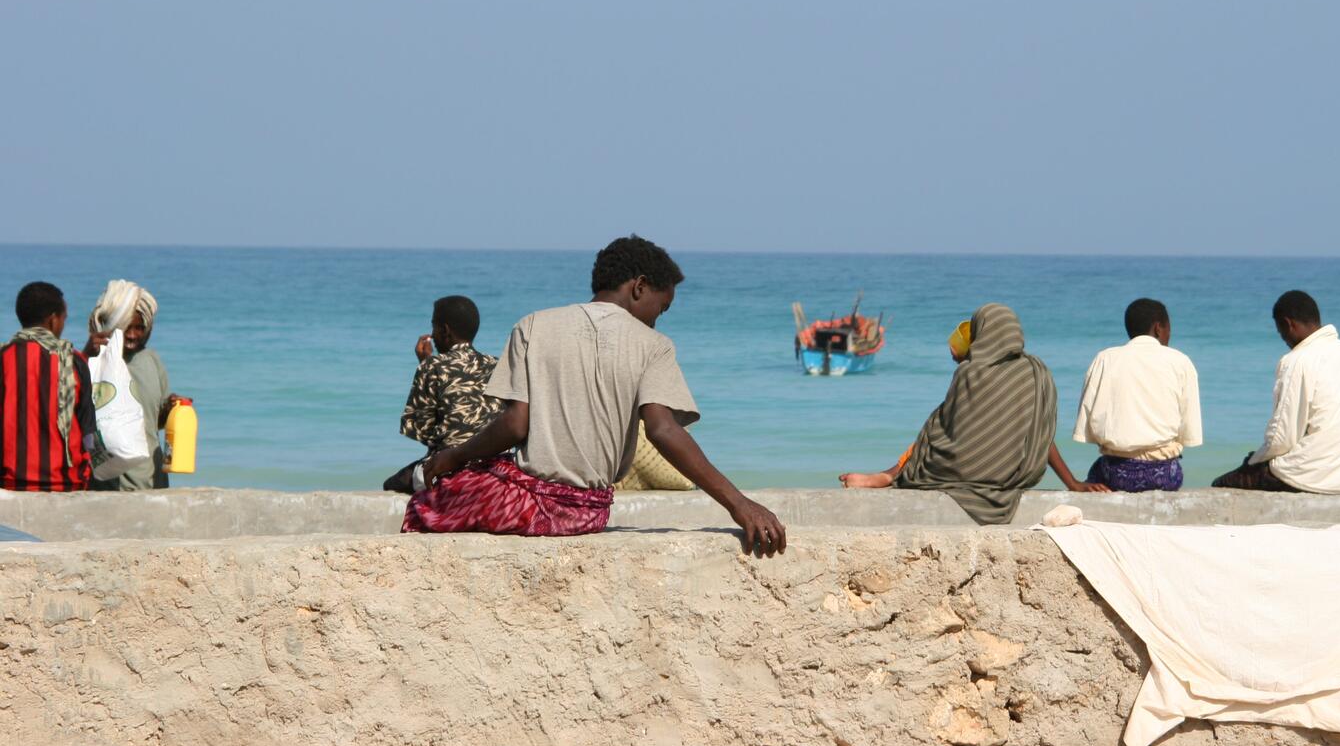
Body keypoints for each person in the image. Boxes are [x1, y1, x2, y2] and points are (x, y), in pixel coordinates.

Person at [405, 235, 786, 556]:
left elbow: (515, 424)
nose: (658, 319)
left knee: (423, 506)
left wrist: (451, 457)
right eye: (662, 307)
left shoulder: (533, 325)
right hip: (588, 512)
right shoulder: (654, 346)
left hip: (528, 506)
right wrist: (739, 504)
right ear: (639, 287)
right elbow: (664, 430)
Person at [840, 313, 1109, 497]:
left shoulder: (977, 377)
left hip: (973, 471)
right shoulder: (1025, 374)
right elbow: (1040, 436)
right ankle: (890, 475)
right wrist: (1072, 483)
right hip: (1007, 475)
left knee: (939, 423)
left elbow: (944, 430)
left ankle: (889, 476)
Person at [1212, 290, 1340, 494]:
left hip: (1316, 476)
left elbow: (1282, 438)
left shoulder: (1297, 360)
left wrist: (1252, 462)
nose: (1284, 340)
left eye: (1281, 333)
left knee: (1224, 482)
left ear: (1287, 324)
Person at [1072, 298, 1203, 492]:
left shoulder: (1105, 359)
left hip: (1116, 474)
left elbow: (1088, 428)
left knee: (1097, 470)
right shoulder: (1181, 362)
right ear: (1158, 328)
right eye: (1168, 329)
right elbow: (1189, 433)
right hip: (1164, 475)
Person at [383, 295, 502, 493]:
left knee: (392, 484)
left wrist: (425, 364)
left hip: (449, 466)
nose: (432, 334)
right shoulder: (497, 365)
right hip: (493, 467)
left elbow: (421, 432)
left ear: (445, 330)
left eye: (434, 327)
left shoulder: (432, 366)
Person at [84, 281, 182, 491]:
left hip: (151, 481)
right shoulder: (95, 362)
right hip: (106, 484)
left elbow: (153, 423)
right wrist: (86, 356)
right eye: (127, 327)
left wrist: (170, 409)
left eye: (140, 328)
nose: (132, 335)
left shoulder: (152, 361)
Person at [1, 282, 98, 492]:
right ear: (53, 320)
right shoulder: (73, 362)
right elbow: (88, 434)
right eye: (64, 318)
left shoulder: (4, 358)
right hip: (67, 485)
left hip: (9, 485)